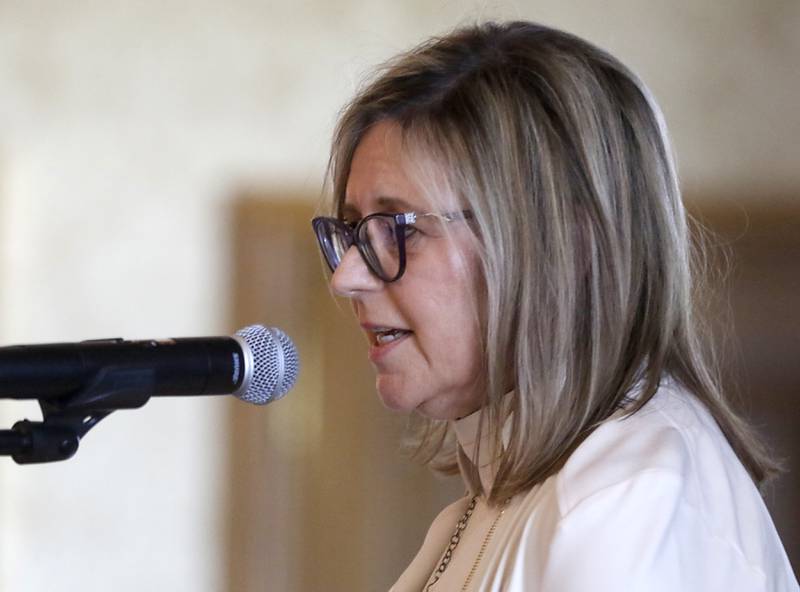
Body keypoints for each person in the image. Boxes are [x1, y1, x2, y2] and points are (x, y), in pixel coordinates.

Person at [311, 21, 798, 591]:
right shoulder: (495, 504)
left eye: (398, 228)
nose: (346, 277)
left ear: (563, 240)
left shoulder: (631, 495)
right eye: (351, 229)